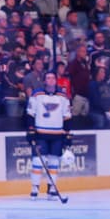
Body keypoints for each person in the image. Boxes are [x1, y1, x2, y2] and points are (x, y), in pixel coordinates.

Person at [25, 71, 71, 200]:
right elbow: (30, 113)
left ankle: (51, 189)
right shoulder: (37, 94)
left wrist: (67, 134)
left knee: (54, 162)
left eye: (53, 78)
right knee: (37, 161)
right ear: (44, 81)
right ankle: (35, 188)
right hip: (41, 133)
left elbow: (67, 116)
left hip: (57, 134)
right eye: (48, 78)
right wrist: (30, 130)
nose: (51, 80)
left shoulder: (63, 96)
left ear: (56, 80)